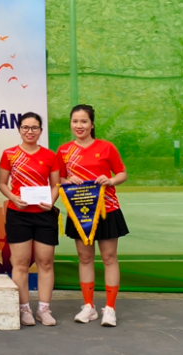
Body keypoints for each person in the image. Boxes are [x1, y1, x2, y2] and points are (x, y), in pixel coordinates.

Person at [57, 104, 128, 328]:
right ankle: (89, 306)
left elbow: (122, 173)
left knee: (109, 258)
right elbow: (58, 178)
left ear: (92, 124)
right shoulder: (63, 151)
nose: (79, 125)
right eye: (75, 121)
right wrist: (68, 180)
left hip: (107, 209)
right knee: (85, 258)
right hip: (80, 212)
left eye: (84, 121)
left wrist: (110, 180)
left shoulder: (106, 147)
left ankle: (110, 308)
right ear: (70, 123)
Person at [0, 112, 60, 327]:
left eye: (34, 128)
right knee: (21, 264)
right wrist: (13, 197)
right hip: (18, 215)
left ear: (41, 131)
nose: (30, 131)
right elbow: (2, 184)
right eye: (25, 127)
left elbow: (56, 185)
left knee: (45, 262)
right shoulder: (9, 154)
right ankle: (24, 308)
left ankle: (44, 309)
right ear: (19, 129)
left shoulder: (50, 155)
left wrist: (51, 201)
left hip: (44, 215)